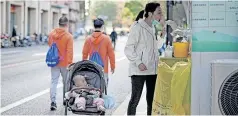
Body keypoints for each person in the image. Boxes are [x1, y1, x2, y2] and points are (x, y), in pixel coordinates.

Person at [124, 2, 162, 115]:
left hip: (152, 70)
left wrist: (161, 36)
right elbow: (128, 48)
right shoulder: (137, 27)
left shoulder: (153, 27)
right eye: (158, 12)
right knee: (135, 99)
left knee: (151, 100)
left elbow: (156, 47)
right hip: (138, 70)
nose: (160, 15)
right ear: (150, 13)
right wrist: (138, 62)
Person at [48, 16, 74, 111]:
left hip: (54, 61)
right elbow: (69, 51)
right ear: (67, 24)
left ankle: (53, 102)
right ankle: (65, 99)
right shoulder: (68, 36)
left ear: (59, 24)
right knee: (66, 82)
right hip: (65, 63)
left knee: (54, 81)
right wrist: (70, 63)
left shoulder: (52, 34)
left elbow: (50, 45)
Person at [82, 18, 115, 88]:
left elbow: (84, 54)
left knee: (93, 89)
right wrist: (112, 66)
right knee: (103, 88)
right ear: (102, 26)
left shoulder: (88, 39)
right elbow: (111, 54)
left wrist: (83, 66)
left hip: (92, 68)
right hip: (104, 68)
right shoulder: (107, 39)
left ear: (94, 26)